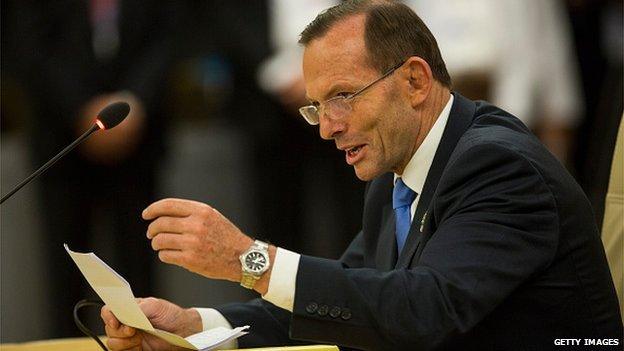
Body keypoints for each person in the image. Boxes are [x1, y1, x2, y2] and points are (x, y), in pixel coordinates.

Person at [101, 1, 623, 350]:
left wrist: (249, 260)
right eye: (316, 107)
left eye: (343, 97)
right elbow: (345, 301)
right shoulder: (393, 174)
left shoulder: (497, 166)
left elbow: (425, 310)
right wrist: (195, 327)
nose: (327, 129)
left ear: (415, 81)